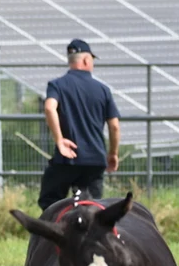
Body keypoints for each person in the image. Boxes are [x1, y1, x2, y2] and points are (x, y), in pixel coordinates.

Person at [38, 38, 121, 211]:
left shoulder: (57, 85)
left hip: (66, 159)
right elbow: (114, 126)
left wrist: (60, 140)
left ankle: (52, 236)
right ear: (86, 60)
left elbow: (49, 108)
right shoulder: (102, 89)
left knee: (51, 205)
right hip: (95, 160)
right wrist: (113, 153)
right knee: (91, 210)